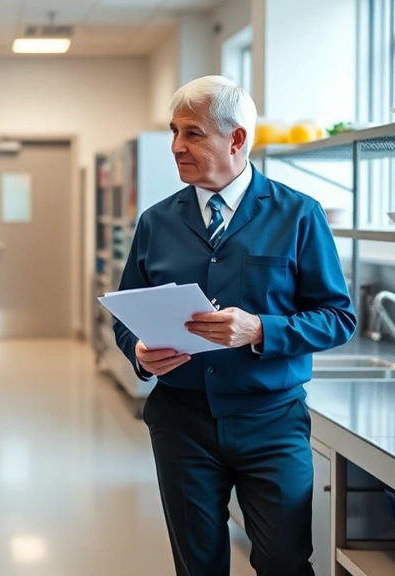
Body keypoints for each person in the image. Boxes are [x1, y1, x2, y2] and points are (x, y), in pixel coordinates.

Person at [113, 75, 356, 576]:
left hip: (273, 422)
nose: (177, 147)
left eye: (193, 133)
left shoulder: (298, 216)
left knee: (284, 560)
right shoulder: (156, 222)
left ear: (237, 139)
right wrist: (137, 350)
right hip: (182, 423)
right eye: (174, 132)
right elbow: (126, 314)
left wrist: (262, 329)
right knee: (197, 565)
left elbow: (338, 318)